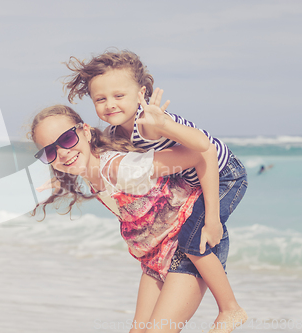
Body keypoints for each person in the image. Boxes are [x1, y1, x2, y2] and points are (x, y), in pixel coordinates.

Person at [64, 49, 248, 332]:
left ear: (142, 93)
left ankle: (230, 309)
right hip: (194, 181)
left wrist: (212, 218)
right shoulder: (116, 135)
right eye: (100, 99)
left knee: (194, 240)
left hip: (223, 174)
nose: (109, 104)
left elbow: (206, 152)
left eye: (119, 96)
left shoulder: (147, 125)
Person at [29, 104, 244, 333]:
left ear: (87, 131)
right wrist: (60, 181)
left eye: (67, 139)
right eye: (50, 151)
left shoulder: (120, 167)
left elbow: (201, 153)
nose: (62, 152)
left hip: (188, 243)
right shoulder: (92, 174)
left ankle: (231, 309)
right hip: (155, 257)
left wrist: (212, 218)